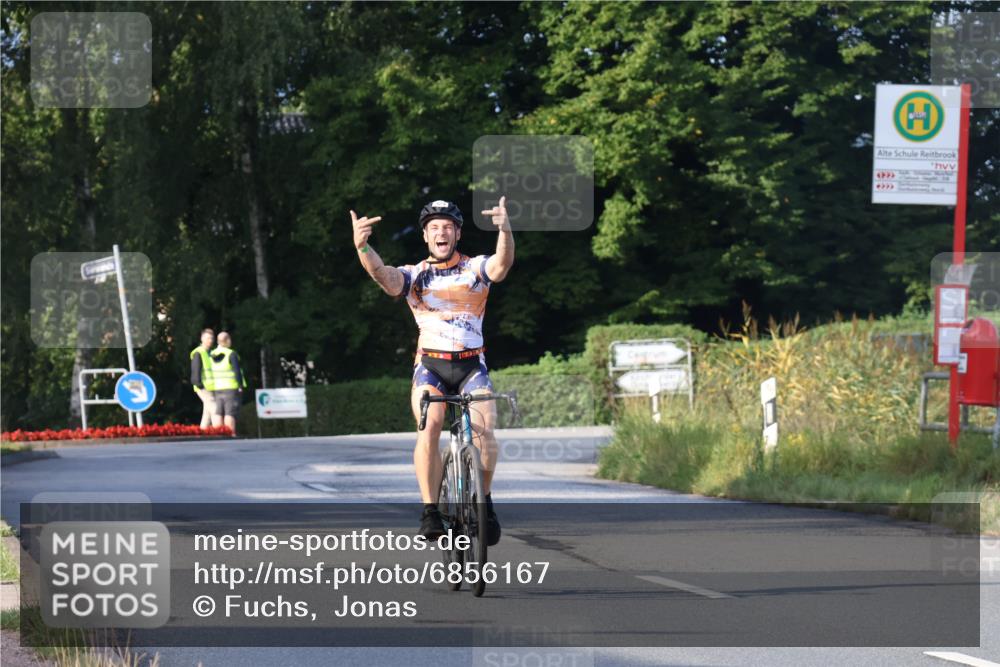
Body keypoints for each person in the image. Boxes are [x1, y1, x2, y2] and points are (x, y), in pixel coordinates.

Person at [351, 197, 514, 544]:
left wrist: (504, 230)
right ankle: (430, 510)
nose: (441, 232)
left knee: (486, 427)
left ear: (457, 234)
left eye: (447, 227)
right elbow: (385, 277)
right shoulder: (415, 274)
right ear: (426, 236)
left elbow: (501, 265)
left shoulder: (475, 268)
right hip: (431, 368)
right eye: (434, 228)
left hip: (472, 365)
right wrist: (364, 247)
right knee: (432, 423)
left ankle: (484, 502)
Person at [209, 331, 247, 435]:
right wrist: (240, 385)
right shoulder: (231, 354)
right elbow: (236, 371)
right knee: (229, 413)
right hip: (230, 388)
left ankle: (218, 434)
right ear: (227, 341)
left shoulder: (212, 354)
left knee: (218, 412)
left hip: (217, 388)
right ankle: (230, 434)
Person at [189, 328, 216, 428]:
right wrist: (199, 384)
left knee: (207, 413)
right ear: (202, 339)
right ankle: (220, 432)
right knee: (215, 409)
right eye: (208, 338)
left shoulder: (211, 353)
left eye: (212, 338)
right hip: (203, 387)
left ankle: (202, 432)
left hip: (211, 387)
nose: (210, 340)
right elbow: (196, 370)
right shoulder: (199, 352)